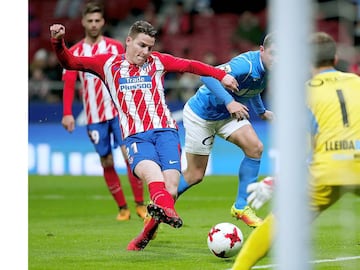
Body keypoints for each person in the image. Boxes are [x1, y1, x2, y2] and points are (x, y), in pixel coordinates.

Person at [49, 20, 239, 250]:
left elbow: (190, 65)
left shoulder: (158, 61)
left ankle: (148, 231)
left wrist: (220, 75)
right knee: (153, 177)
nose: (146, 52)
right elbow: (70, 61)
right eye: (141, 45)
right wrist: (57, 41)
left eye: (150, 47)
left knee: (170, 189)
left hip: (166, 132)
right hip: (136, 136)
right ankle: (167, 214)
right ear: (128, 41)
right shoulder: (107, 63)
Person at [231, 31, 360, 270]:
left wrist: (276, 181)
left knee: (279, 222)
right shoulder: (357, 82)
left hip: (327, 169)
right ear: (335, 58)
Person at [177, 33, 276, 228]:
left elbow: (252, 88)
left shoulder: (271, 68)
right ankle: (160, 204)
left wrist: (261, 112)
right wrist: (230, 102)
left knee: (255, 148)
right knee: (195, 175)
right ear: (262, 50)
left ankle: (241, 206)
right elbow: (207, 74)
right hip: (201, 115)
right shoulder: (245, 64)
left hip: (227, 115)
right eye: (274, 53)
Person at [60, 1, 146, 222]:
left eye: (98, 20)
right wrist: (67, 112)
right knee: (106, 160)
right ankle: (122, 209)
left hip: (118, 113)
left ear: (103, 22)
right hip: (94, 117)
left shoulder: (115, 47)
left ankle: (140, 205)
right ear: (83, 22)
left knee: (130, 157)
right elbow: (69, 82)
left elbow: (128, 75)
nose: (94, 24)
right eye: (90, 21)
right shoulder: (76, 52)